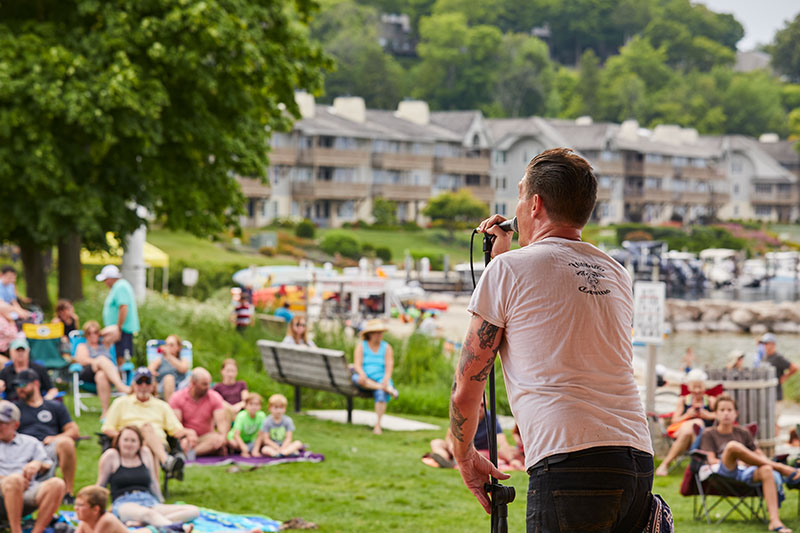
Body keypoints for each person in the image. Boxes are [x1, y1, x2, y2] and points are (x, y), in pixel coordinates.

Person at [451, 148, 655, 530]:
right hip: (635, 457)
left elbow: (468, 383)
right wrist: (503, 261)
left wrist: (464, 456)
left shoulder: (508, 270)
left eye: (520, 195)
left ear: (535, 204)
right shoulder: (616, 272)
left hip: (568, 460)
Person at [698, 393, 797, 533]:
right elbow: (712, 460)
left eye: (729, 410)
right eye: (722, 410)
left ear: (736, 413)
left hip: (745, 472)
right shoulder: (709, 433)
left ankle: (775, 521)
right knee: (732, 447)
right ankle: (783, 468)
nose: (726, 413)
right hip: (724, 472)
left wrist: (751, 461)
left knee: (767, 470)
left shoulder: (743, 432)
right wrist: (739, 459)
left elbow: (758, 454)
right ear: (715, 413)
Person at [96, 425, 199, 529]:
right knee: (149, 514)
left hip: (148, 501)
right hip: (124, 503)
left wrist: (160, 501)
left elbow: (153, 482)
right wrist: (98, 511)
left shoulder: (144, 453)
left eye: (133, 441)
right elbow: (100, 486)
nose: (129, 444)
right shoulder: (111, 456)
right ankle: (178, 528)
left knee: (193, 511)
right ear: (118, 441)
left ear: (139, 443)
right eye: (125, 440)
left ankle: (146, 524)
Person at [101, 367, 196, 476]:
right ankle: (166, 462)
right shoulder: (120, 403)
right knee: (146, 430)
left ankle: (152, 488)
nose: (143, 386)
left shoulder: (162, 406)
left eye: (147, 382)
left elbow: (175, 430)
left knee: (147, 444)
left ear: (153, 385)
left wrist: (190, 432)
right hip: (128, 443)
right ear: (134, 385)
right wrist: (127, 436)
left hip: (157, 444)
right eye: (140, 382)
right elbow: (107, 429)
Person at [14, 369, 80, 504]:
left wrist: (55, 438)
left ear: (36, 384)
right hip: (24, 449)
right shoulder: (15, 408)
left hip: (48, 446)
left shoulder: (54, 406)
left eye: (23, 385)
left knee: (66, 442)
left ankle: (68, 493)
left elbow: (74, 431)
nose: (19, 389)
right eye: (17, 386)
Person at [0, 400, 66, 533]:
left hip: (27, 491)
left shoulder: (30, 442)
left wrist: (37, 464)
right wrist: (9, 480)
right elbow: (13, 481)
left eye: (3, 423)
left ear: (16, 425)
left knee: (57, 484)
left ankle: (37, 531)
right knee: (14, 480)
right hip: (3, 490)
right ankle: (16, 531)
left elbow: (47, 463)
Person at [655, 369, 716, 476]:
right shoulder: (683, 401)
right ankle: (698, 467)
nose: (697, 390)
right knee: (693, 425)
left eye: (700, 387)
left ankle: (665, 464)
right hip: (685, 432)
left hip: (702, 435)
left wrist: (708, 415)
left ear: (704, 387)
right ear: (689, 387)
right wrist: (687, 415)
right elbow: (675, 420)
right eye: (694, 387)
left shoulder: (710, 400)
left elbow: (719, 416)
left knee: (694, 425)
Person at [424, 407, 523, 471]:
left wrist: (511, 459)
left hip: (477, 451)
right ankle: (443, 458)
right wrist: (452, 449)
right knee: (436, 442)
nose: (479, 408)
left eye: (482, 405)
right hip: (457, 448)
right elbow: (449, 437)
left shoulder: (490, 418)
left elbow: (502, 441)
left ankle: (450, 460)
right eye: (477, 405)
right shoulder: (463, 415)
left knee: (486, 454)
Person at [73, 321, 131, 417]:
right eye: (89, 333)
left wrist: (101, 333)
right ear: (85, 335)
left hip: (108, 375)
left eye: (95, 332)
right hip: (89, 373)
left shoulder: (105, 343)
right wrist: (96, 361)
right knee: (102, 359)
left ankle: (105, 412)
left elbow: (116, 329)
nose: (92, 335)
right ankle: (120, 386)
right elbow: (81, 360)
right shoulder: (82, 346)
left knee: (101, 376)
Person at [351, 319, 399, 435]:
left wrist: (386, 379)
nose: (379, 335)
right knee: (357, 379)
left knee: (380, 394)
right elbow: (357, 364)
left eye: (381, 332)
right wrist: (362, 374)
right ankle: (386, 389)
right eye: (377, 332)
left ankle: (378, 425)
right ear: (370, 334)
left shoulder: (387, 347)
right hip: (366, 379)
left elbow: (389, 367)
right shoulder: (361, 346)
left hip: (381, 379)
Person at [169, 368, 228, 458]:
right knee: (183, 443)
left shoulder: (214, 397)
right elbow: (175, 427)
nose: (208, 387)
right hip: (186, 438)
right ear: (193, 383)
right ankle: (198, 451)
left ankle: (192, 453)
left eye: (209, 383)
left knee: (217, 439)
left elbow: (222, 423)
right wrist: (189, 433)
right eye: (204, 384)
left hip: (206, 437)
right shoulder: (177, 397)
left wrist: (222, 437)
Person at [97, 264, 140, 362]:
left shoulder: (120, 287)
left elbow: (123, 307)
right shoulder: (118, 287)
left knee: (120, 356)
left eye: (106, 279)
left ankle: (121, 376)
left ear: (111, 278)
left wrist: (118, 328)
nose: (105, 282)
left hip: (122, 329)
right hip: (118, 329)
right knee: (115, 355)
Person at [0, 338, 58, 402]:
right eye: (17, 351)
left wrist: (47, 399)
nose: (20, 353)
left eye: (23, 350)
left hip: (36, 404)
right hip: (13, 405)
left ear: (28, 351)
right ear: (11, 352)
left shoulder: (39, 368)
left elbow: (52, 389)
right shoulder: (5, 371)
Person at [759, 333, 798, 411]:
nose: (764, 345)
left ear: (773, 344)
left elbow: (794, 367)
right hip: (767, 394)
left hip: (776, 395)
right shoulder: (765, 357)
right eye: (763, 343)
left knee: (774, 419)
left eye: (766, 343)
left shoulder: (778, 357)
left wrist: (785, 376)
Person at [148, 335, 190, 403]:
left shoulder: (182, 360)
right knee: (169, 378)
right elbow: (149, 369)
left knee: (196, 375)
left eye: (171, 345)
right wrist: (153, 372)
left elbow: (183, 369)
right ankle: (171, 407)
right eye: (167, 345)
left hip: (180, 385)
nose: (168, 347)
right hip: (163, 386)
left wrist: (169, 356)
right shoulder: (160, 359)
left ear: (178, 347)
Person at [227, 392, 267, 457]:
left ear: (260, 406)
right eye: (251, 404)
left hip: (250, 440)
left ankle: (250, 449)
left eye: (256, 404)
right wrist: (243, 448)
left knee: (263, 440)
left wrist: (256, 450)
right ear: (246, 405)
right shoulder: (241, 416)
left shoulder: (262, 416)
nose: (254, 407)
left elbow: (260, 434)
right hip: (236, 439)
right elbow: (236, 435)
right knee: (233, 443)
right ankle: (243, 450)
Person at [212, 359, 248, 423]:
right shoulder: (217, 387)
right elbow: (217, 402)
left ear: (236, 372)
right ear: (222, 371)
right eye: (228, 371)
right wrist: (230, 409)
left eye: (233, 371)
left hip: (240, 413)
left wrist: (237, 406)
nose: (230, 374)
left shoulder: (241, 384)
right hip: (224, 414)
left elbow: (246, 400)